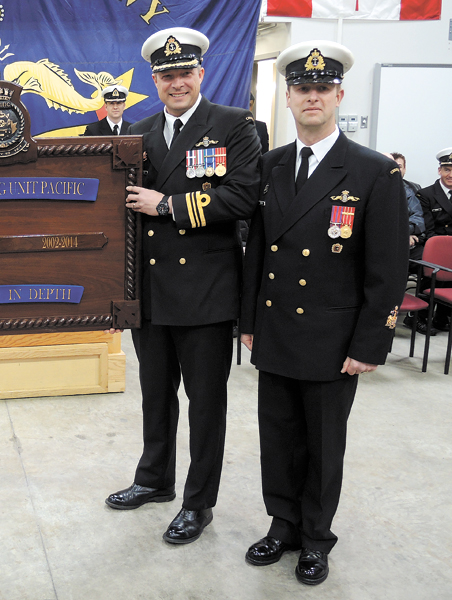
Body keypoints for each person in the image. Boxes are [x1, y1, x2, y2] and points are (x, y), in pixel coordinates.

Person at [239, 41, 408, 586]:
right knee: (278, 438)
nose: (312, 97)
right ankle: (282, 525)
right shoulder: (270, 165)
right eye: (301, 89)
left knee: (322, 445)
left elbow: (386, 270)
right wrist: (248, 322)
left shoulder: (373, 172)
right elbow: (258, 251)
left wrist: (369, 344)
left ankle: (316, 538)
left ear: (338, 95)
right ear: (287, 97)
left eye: (322, 89)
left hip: (333, 339)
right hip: (277, 329)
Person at [105, 27, 260, 545]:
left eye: (184, 73)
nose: (176, 83)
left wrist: (167, 205)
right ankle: (154, 480)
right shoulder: (139, 133)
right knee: (155, 395)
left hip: (207, 291)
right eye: (166, 75)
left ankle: (199, 502)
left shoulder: (234, 125)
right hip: (148, 291)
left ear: (201, 74)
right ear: (154, 79)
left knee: (205, 403)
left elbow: (241, 198)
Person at [411, 148, 452, 332]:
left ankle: (443, 317)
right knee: (434, 265)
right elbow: (427, 230)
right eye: (447, 169)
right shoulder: (426, 195)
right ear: (439, 170)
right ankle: (419, 317)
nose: (451, 174)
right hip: (431, 245)